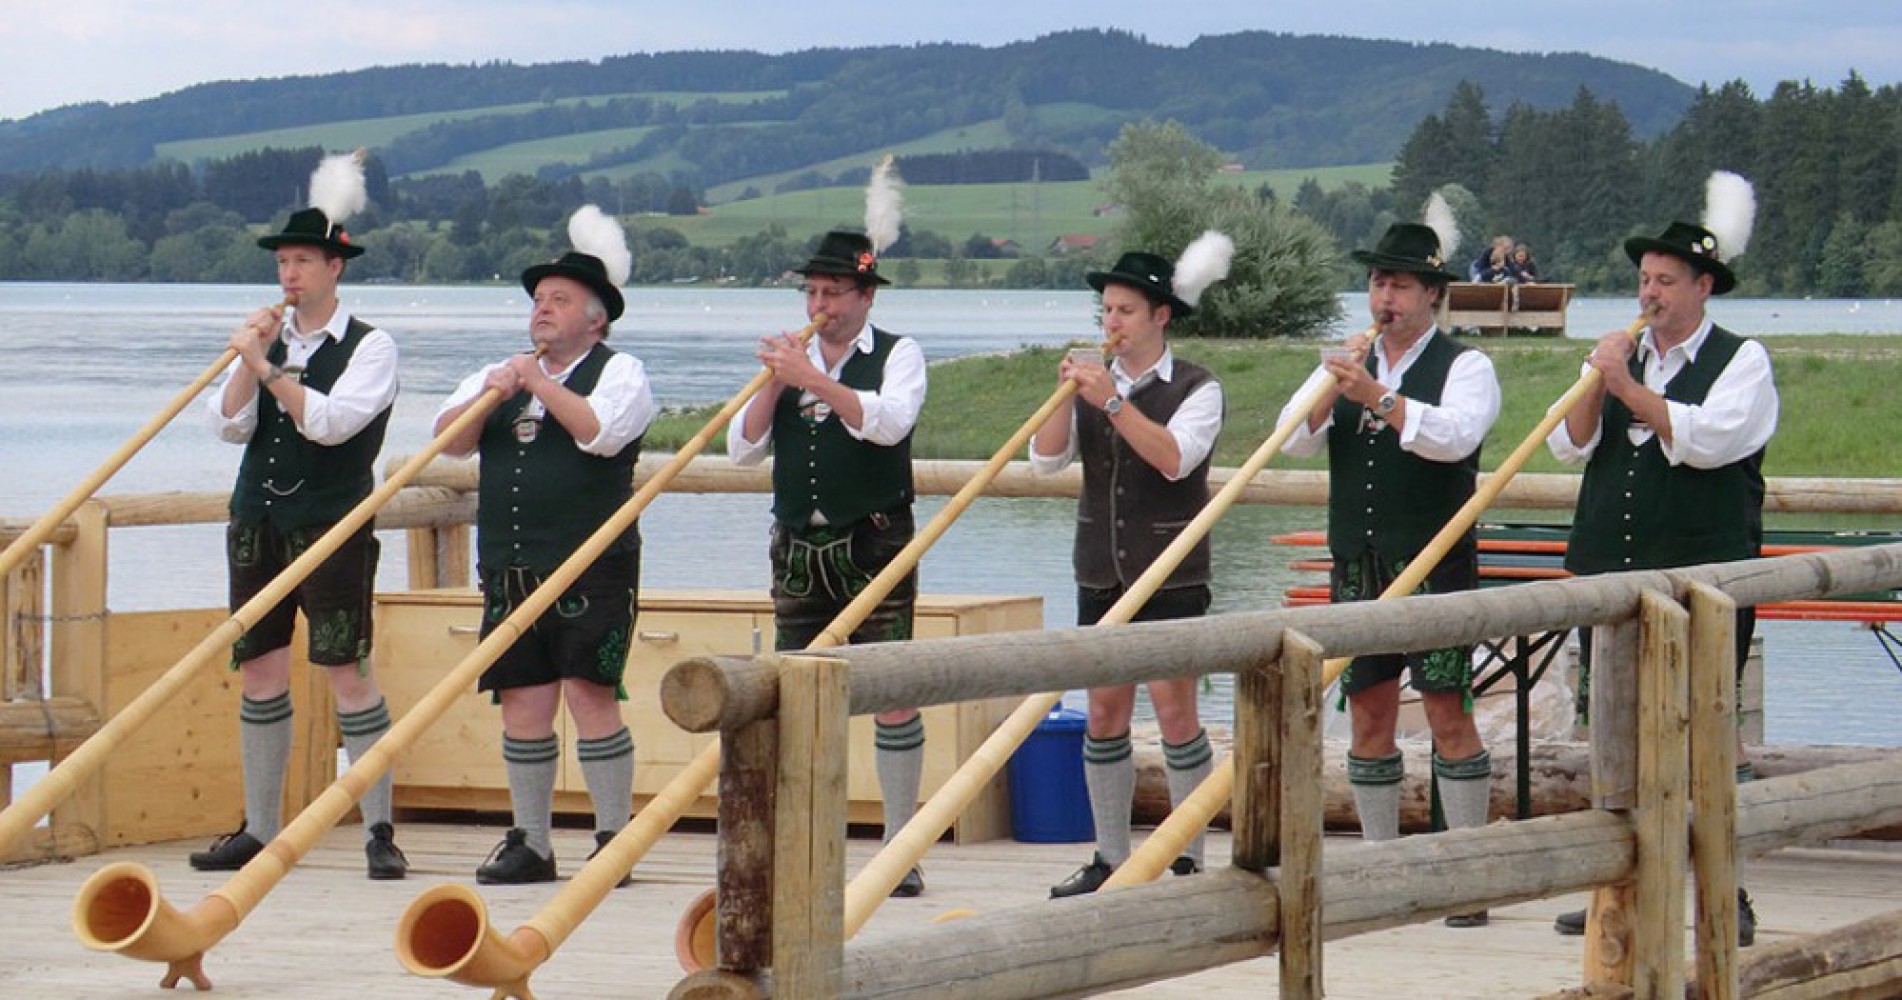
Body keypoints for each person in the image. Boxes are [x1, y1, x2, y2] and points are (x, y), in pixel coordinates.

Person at [1546, 219, 1777, 944]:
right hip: (1611, 582)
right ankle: (1617, 887)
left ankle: (1723, 891)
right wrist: (1598, 378)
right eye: (1645, 279)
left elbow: (1709, 442)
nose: (1649, 293)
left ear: (1703, 289)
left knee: (1703, 738)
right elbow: (1568, 444)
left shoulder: (1745, 361)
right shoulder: (1623, 354)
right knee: (1614, 736)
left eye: (1666, 281)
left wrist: (1624, 384)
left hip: (1702, 585)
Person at [1279, 222, 1501, 927]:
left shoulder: (1467, 367)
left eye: (1400, 284)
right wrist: (1331, 384)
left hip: (1433, 560)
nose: (1385, 296)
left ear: (1432, 295)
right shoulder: (1347, 360)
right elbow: (1290, 440)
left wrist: (1375, 393)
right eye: (1377, 283)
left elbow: (1454, 438)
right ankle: (1379, 866)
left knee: (1445, 709)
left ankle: (1464, 874)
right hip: (1360, 559)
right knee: (1369, 709)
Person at [433, 209, 655, 885]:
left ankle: (614, 838)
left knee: (591, 694)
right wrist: (492, 394)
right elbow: (447, 441)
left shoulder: (622, 373)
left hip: (590, 563)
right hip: (511, 564)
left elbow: (600, 435)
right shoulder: (501, 374)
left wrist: (538, 385)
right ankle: (531, 841)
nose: (542, 312)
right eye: (537, 302)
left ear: (597, 319)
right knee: (524, 700)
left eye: (559, 301)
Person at [195, 177, 406, 880]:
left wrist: (265, 364)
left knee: (348, 669)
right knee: (259, 668)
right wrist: (246, 361)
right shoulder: (271, 339)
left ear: (334, 268)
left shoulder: (373, 348)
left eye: (302, 263)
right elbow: (229, 426)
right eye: (282, 263)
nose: (288, 275)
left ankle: (379, 828)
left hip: (331, 523)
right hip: (258, 517)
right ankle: (259, 828)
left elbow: (329, 424)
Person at [727, 230, 930, 897]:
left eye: (834, 292)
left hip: (872, 538)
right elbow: (743, 451)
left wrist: (812, 379)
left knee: (893, 693)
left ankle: (901, 849)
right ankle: (807, 844)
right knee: (796, 695)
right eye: (812, 291)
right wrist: (772, 383)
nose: (820, 304)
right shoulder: (789, 363)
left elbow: (888, 424)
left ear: (866, 296)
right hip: (797, 546)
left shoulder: (901, 355)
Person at [1031, 250, 1224, 898]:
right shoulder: (1092, 382)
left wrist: (1112, 400)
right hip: (1099, 570)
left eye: (1125, 310)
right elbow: (1045, 462)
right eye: (1106, 309)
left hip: (1171, 572)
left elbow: (1173, 459)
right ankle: (1108, 856)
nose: (1112, 320)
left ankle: (1188, 859)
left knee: (1175, 713)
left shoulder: (1198, 387)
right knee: (1103, 714)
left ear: (1160, 316)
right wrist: (1065, 395)